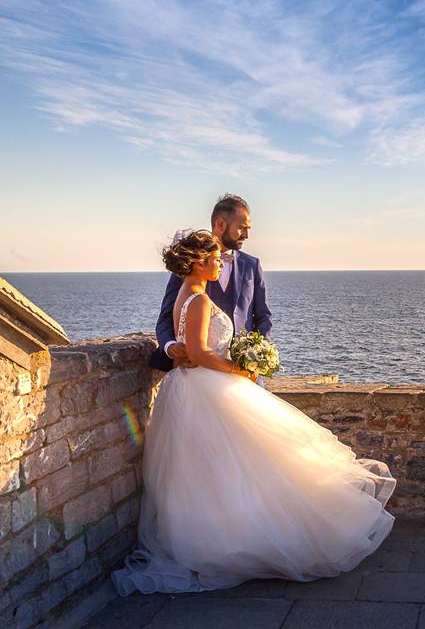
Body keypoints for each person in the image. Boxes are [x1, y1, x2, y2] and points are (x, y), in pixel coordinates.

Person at [112, 230, 395, 595]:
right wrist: (240, 370)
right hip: (206, 387)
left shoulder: (189, 292)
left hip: (190, 389)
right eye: (214, 259)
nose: (219, 263)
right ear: (199, 262)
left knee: (211, 472)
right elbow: (198, 352)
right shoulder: (197, 300)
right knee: (240, 464)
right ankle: (244, 540)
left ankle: (214, 538)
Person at [149, 193, 271, 373]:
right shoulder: (189, 266)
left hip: (244, 376)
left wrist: (257, 357)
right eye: (242, 228)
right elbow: (167, 316)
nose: (246, 235)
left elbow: (263, 317)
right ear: (221, 224)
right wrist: (171, 346)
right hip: (201, 373)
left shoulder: (252, 265)